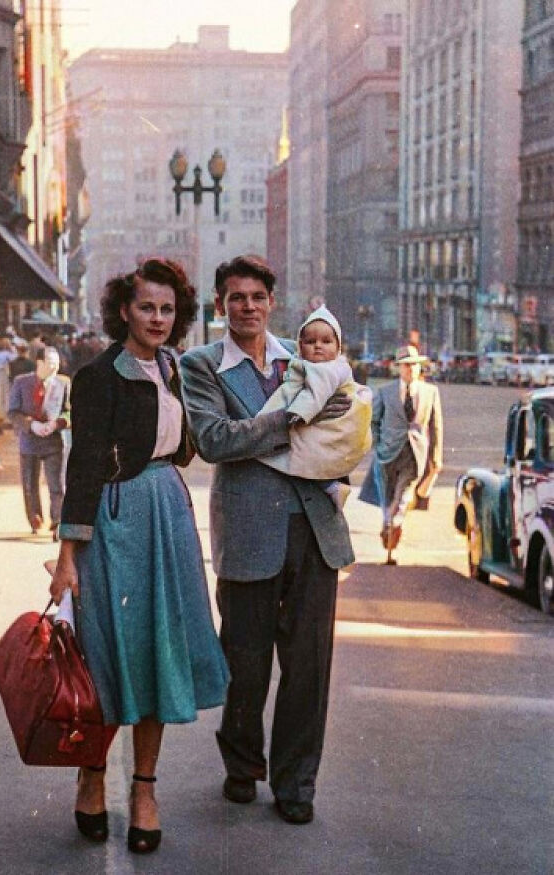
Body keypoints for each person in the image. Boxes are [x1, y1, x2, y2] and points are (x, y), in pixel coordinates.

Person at [49, 258, 229, 854]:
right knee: (106, 654)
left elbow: (189, 445)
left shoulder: (177, 366)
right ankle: (94, 777)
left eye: (167, 309)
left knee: (158, 653)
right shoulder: (98, 376)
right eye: (147, 307)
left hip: (168, 515)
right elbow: (83, 465)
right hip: (115, 518)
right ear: (124, 309)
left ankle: (145, 791)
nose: (157, 318)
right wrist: (69, 553)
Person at [179, 255, 354, 826]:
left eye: (257, 297)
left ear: (271, 302)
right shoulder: (202, 365)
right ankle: (241, 763)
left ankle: (296, 784)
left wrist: (336, 464)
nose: (248, 307)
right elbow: (213, 439)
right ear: (220, 305)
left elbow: (346, 421)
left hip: (313, 532)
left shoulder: (305, 354)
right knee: (245, 663)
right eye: (236, 298)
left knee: (308, 667)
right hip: (249, 533)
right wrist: (292, 421)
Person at [256, 304, 372, 507]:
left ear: (338, 347)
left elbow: (316, 395)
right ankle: (329, 485)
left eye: (326, 341)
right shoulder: (309, 364)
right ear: (300, 345)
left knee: (307, 452)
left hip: (318, 419)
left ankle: (330, 486)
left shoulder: (328, 370)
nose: (318, 346)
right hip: (310, 416)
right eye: (310, 341)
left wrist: (298, 413)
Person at [358, 344, 444, 561]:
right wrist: (378, 445)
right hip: (387, 454)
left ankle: (394, 523)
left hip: (415, 454)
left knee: (405, 492)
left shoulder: (430, 393)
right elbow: (373, 421)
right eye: (406, 366)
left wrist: (436, 458)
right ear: (399, 368)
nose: (411, 369)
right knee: (387, 495)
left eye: (414, 365)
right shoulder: (385, 392)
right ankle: (388, 523)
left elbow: (436, 427)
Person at [8, 347, 70, 538]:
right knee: (29, 485)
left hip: (53, 441)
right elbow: (13, 412)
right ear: (39, 363)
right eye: (51, 363)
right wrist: (31, 425)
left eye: (57, 363)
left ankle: (57, 521)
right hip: (29, 441)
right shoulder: (21, 382)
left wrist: (57, 423)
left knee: (57, 484)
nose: (55, 367)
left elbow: (69, 410)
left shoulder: (63, 383)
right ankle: (35, 520)